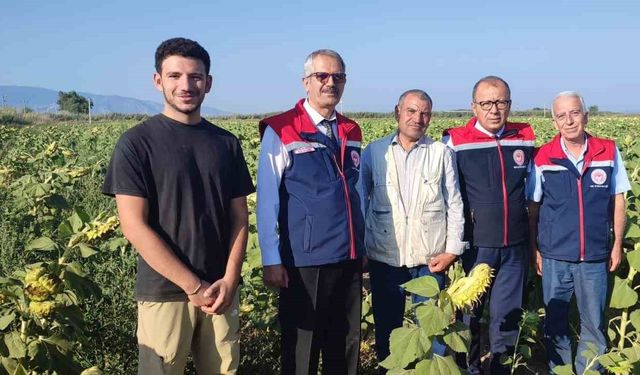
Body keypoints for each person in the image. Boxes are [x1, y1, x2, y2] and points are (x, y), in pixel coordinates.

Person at [102, 37, 254, 374]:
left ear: (208, 83)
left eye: (195, 77)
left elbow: (239, 218)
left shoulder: (226, 143)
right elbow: (134, 226)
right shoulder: (137, 144)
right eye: (174, 76)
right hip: (165, 290)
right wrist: (193, 286)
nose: (186, 85)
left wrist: (230, 279)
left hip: (220, 291)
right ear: (158, 81)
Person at [256, 49, 364, 374]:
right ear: (306, 82)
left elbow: (357, 192)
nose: (330, 83)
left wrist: (365, 245)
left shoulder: (351, 130)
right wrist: (271, 258)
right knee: (303, 347)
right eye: (322, 76)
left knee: (344, 346)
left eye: (338, 77)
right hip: (305, 259)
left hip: (348, 255)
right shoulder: (282, 129)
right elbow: (267, 199)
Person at [358, 89, 465, 363]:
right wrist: (361, 248)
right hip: (384, 256)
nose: (418, 118)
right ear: (397, 112)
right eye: (411, 111)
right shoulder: (374, 153)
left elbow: (454, 202)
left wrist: (452, 250)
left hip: (430, 259)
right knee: (388, 330)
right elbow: (360, 201)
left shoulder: (441, 152)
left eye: (424, 113)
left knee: (434, 332)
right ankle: (391, 369)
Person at [528, 91, 630, 374]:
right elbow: (533, 207)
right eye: (561, 115)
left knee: (593, 324)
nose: (569, 120)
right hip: (555, 256)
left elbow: (618, 199)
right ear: (554, 122)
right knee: (555, 324)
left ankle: (589, 371)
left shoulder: (607, 151)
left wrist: (617, 243)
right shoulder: (543, 157)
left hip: (595, 256)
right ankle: (558, 370)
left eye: (574, 113)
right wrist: (534, 250)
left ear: (585, 115)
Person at [443, 76, 535, 374]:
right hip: (476, 245)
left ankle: (500, 368)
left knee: (506, 316)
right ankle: (466, 368)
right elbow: (447, 194)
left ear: (509, 103)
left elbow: (533, 191)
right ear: (474, 106)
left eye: (501, 102)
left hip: (514, 245)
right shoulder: (456, 141)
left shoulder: (524, 137)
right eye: (486, 103)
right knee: (467, 314)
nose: (494, 109)